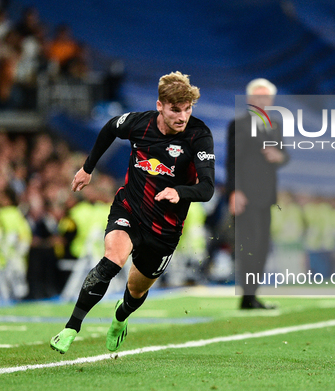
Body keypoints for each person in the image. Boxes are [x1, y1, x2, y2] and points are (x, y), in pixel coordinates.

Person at [50, 71, 215, 354]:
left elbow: (208, 188)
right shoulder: (140, 123)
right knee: (112, 259)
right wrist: (88, 168)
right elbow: (109, 129)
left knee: (136, 290)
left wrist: (181, 192)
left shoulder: (198, 135)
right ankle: (71, 328)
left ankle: (120, 317)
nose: (182, 117)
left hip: (164, 229)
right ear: (160, 105)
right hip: (130, 209)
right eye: (176, 109)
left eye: (188, 109)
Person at [226, 78, 289, 309]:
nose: (263, 100)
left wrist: (279, 156)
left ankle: (252, 295)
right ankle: (247, 296)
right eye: (259, 96)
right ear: (250, 99)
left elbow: (285, 154)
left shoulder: (275, 125)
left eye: (267, 97)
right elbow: (233, 160)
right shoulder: (239, 124)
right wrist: (234, 192)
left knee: (263, 246)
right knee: (249, 246)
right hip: (246, 196)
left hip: (267, 197)